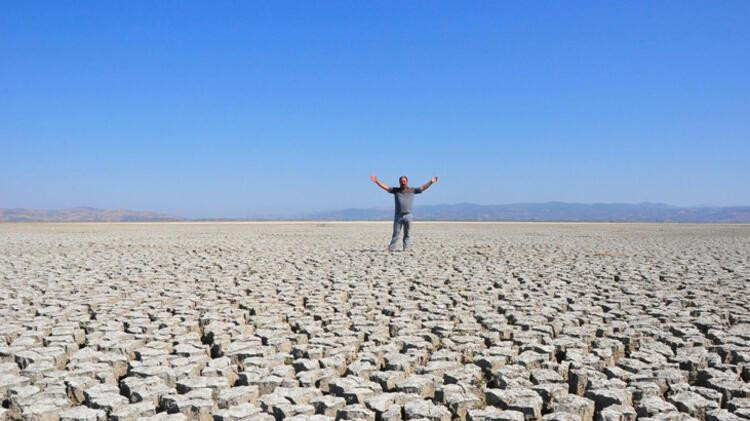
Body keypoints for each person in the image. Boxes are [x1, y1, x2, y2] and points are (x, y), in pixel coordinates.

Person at [370, 174, 439, 252]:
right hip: (398, 216)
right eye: (401, 181)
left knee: (407, 234)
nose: (403, 182)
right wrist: (377, 181)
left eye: (404, 181)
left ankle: (406, 249)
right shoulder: (396, 190)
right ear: (399, 182)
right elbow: (386, 187)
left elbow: (422, 188)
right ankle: (392, 249)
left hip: (408, 216)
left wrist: (431, 182)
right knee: (396, 234)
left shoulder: (412, 190)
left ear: (407, 182)